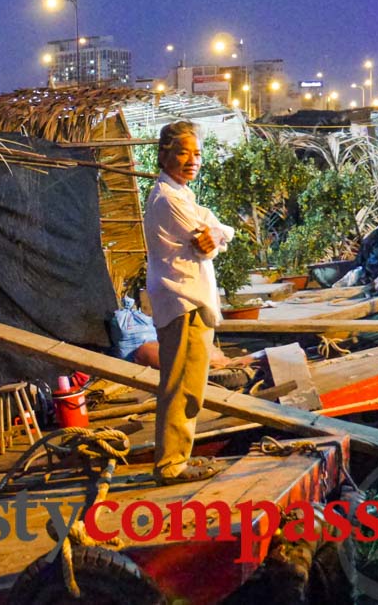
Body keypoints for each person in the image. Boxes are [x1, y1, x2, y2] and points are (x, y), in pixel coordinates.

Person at [143, 121, 235, 486]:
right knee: (182, 385)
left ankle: (176, 459)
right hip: (183, 300)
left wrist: (217, 235)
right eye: (184, 153)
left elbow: (220, 232)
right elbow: (205, 238)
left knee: (188, 385)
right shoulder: (169, 200)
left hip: (189, 299)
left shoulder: (182, 196)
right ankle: (170, 465)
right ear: (165, 154)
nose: (192, 161)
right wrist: (215, 235)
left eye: (197, 154)